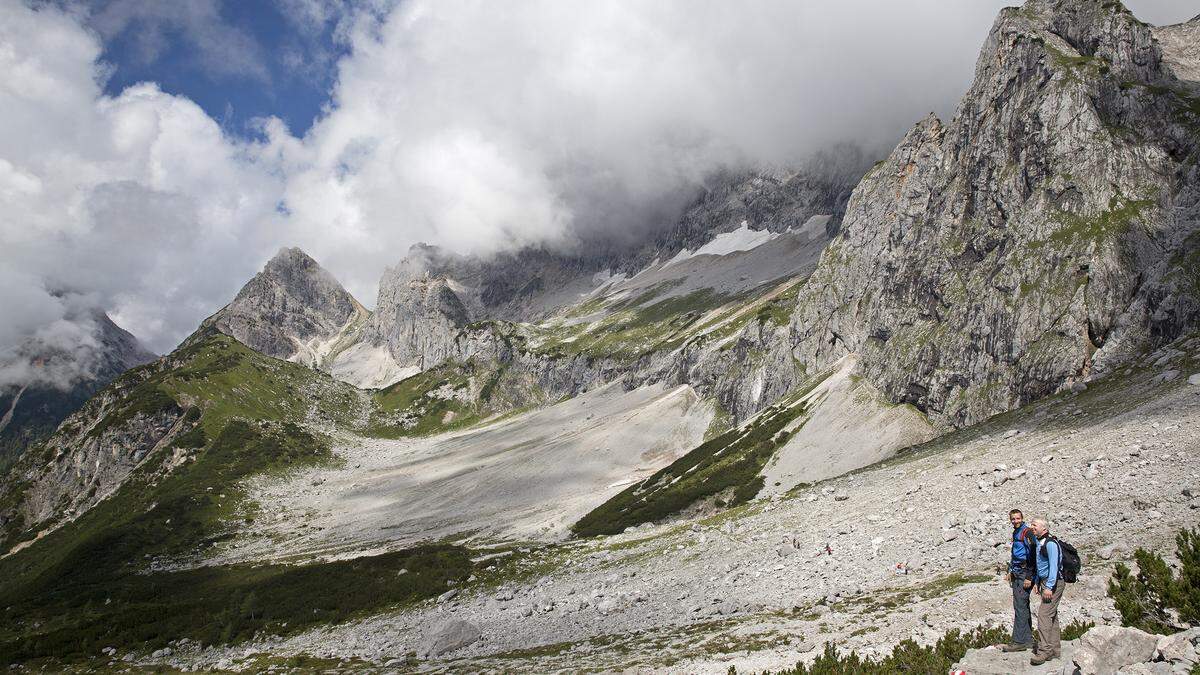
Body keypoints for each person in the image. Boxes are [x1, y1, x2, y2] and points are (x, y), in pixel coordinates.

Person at [1000, 509, 1038, 652]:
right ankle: (1027, 640)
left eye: (1017, 518)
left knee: (1020, 606)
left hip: (1024, 573)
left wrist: (1029, 576)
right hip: (1017, 571)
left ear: (1022, 518)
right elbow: (1015, 553)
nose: (1015, 521)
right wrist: (1010, 570)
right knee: (1022, 605)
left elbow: (1033, 554)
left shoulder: (1026, 532)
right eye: (1013, 519)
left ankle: (1018, 641)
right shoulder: (1016, 532)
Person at [1029, 517, 1064, 666]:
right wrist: (1037, 581)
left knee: (1043, 614)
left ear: (1044, 529)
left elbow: (1054, 566)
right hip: (1045, 582)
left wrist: (1049, 586)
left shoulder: (1050, 544)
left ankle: (1044, 651)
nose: (1032, 527)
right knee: (1051, 615)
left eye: (1034, 525)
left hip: (1053, 583)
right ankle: (1055, 649)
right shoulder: (1039, 542)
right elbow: (1041, 564)